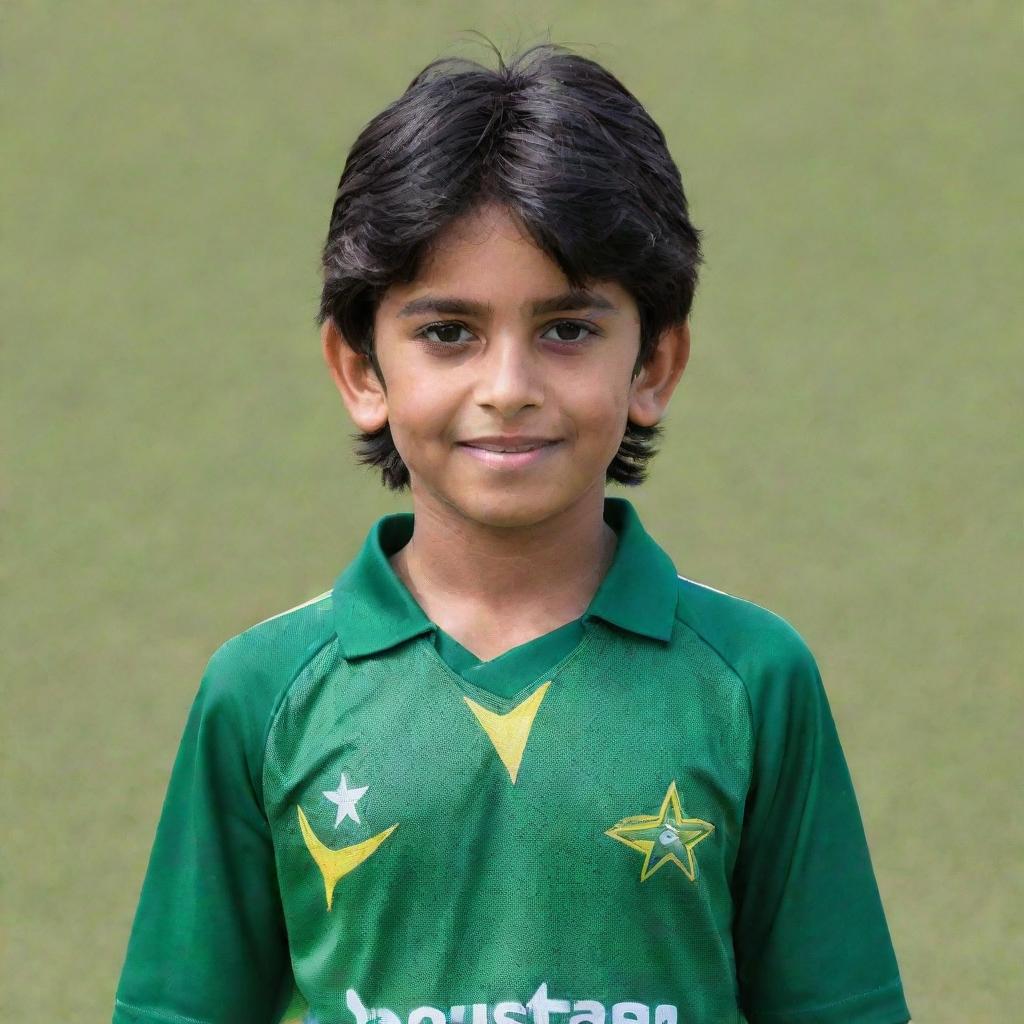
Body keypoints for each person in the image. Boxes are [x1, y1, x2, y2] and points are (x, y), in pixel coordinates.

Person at [112, 41, 911, 1024]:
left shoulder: (752, 676)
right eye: (448, 332)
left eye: (566, 329)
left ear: (654, 364)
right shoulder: (264, 688)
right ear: (361, 370)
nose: (507, 387)